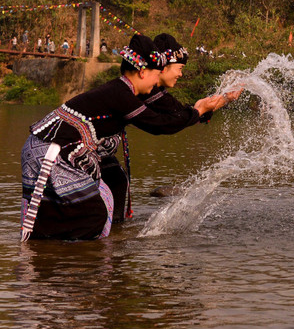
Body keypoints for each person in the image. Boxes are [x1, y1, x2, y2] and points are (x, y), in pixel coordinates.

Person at [20, 34, 231, 241]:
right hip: (52, 151)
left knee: (112, 186)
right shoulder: (121, 94)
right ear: (142, 72)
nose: (157, 80)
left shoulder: (125, 90)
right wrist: (198, 111)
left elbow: (169, 114)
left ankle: (73, 248)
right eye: (156, 74)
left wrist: (201, 110)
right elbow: (159, 125)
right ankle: (63, 254)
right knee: (93, 216)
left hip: (60, 149)